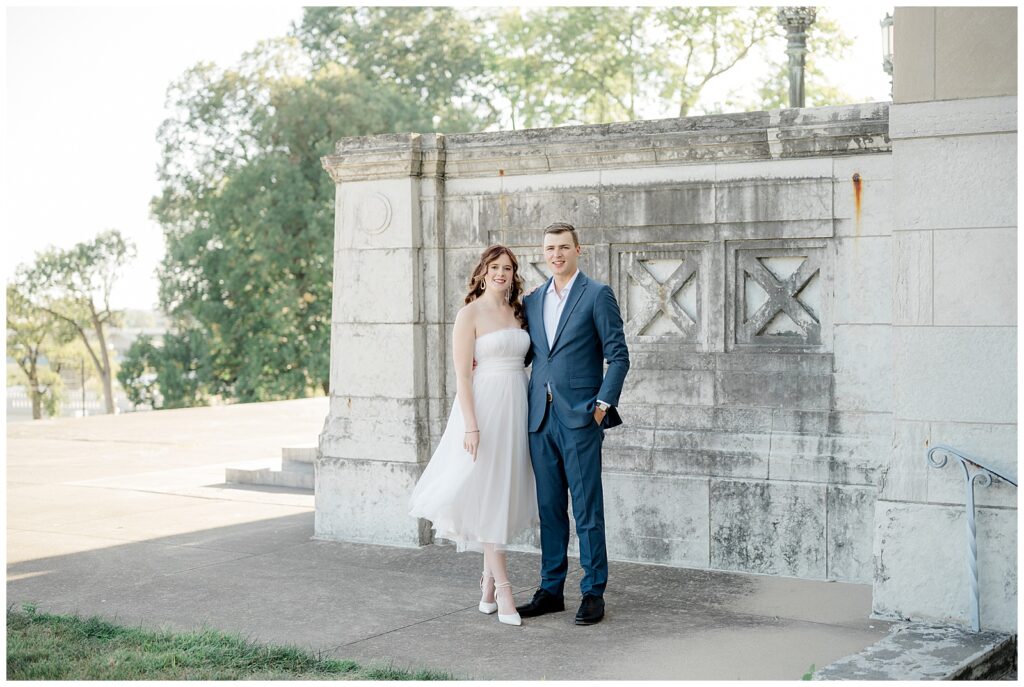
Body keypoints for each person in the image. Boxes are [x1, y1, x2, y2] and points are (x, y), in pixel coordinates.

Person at [408, 244, 538, 627]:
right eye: (495, 267)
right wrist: (471, 425)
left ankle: (485, 584)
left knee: (500, 491)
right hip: (484, 407)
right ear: (482, 272)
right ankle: (503, 590)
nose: (502, 273)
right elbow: (463, 375)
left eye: (508, 268)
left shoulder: (518, 311)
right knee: (486, 491)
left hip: (517, 403)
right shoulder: (470, 314)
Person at [515, 222, 630, 626]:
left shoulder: (597, 294)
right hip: (539, 419)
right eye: (550, 248)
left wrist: (600, 408)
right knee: (549, 509)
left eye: (564, 247)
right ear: (543, 253)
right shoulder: (532, 300)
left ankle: (593, 591)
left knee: (586, 509)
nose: (556, 254)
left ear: (578, 249)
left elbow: (619, 356)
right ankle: (550, 589)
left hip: (580, 418)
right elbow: (528, 355)